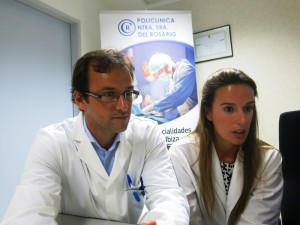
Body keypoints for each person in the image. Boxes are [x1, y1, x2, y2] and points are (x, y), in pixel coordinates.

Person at [1, 49, 190, 225]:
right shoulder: (52, 142)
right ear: (80, 99)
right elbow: (28, 215)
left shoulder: (147, 134)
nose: (124, 106)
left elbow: (168, 196)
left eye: (128, 93)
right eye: (109, 95)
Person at [169, 68, 283, 225]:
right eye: (229, 109)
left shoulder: (268, 158)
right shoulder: (182, 154)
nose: (242, 119)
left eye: (248, 108)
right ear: (208, 112)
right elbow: (187, 219)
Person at [142, 53, 198, 122]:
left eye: (160, 72)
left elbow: (175, 98)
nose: (160, 76)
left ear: (167, 65)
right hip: (185, 116)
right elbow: (172, 102)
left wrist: (152, 107)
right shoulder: (173, 76)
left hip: (195, 116)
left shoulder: (187, 71)